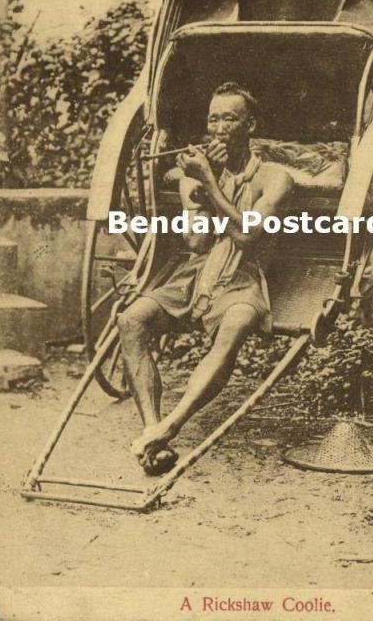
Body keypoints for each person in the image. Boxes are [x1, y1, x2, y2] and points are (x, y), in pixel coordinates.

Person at [118, 82, 293, 475]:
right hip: (198, 272)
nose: (218, 127)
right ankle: (153, 432)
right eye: (213, 118)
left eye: (229, 118)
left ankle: (171, 426)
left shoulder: (275, 177)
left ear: (250, 125)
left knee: (236, 324)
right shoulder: (191, 174)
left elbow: (248, 235)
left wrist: (211, 184)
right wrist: (202, 180)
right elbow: (196, 242)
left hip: (245, 275)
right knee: (129, 320)